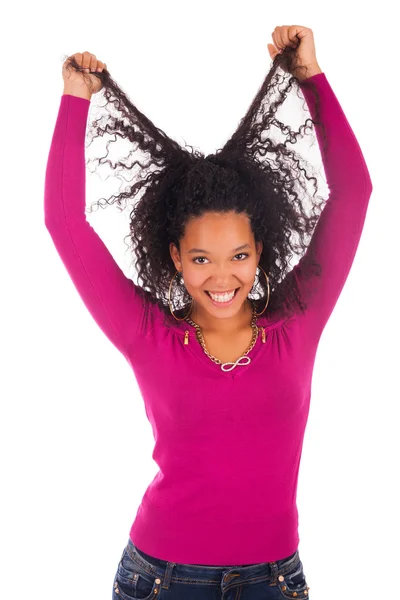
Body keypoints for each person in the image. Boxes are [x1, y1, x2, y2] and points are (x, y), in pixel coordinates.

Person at [44, 24, 373, 600]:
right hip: (162, 579)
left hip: (274, 579)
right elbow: (65, 223)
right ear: (174, 256)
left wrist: (312, 81)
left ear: (260, 251)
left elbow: (354, 193)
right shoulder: (149, 333)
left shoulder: (298, 320)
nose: (223, 278)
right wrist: (75, 100)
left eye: (239, 255)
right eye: (201, 258)